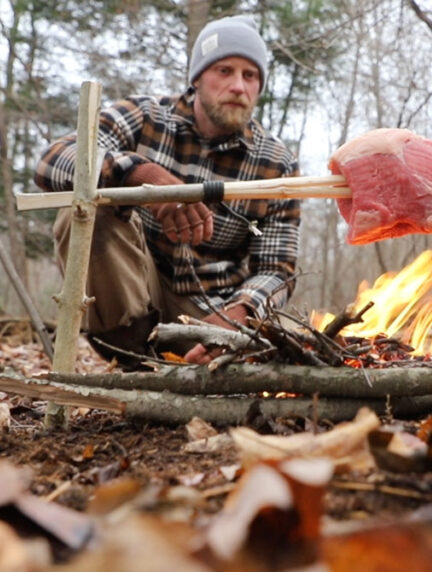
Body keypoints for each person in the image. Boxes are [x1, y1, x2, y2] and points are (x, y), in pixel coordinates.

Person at [34, 15, 300, 367]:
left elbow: (278, 269)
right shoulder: (144, 116)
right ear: (197, 78)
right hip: (132, 300)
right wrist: (146, 179)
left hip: (211, 312)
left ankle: (204, 359)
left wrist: (239, 314)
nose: (238, 86)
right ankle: (134, 360)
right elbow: (54, 159)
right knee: (83, 206)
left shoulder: (277, 163)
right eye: (224, 71)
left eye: (249, 76)